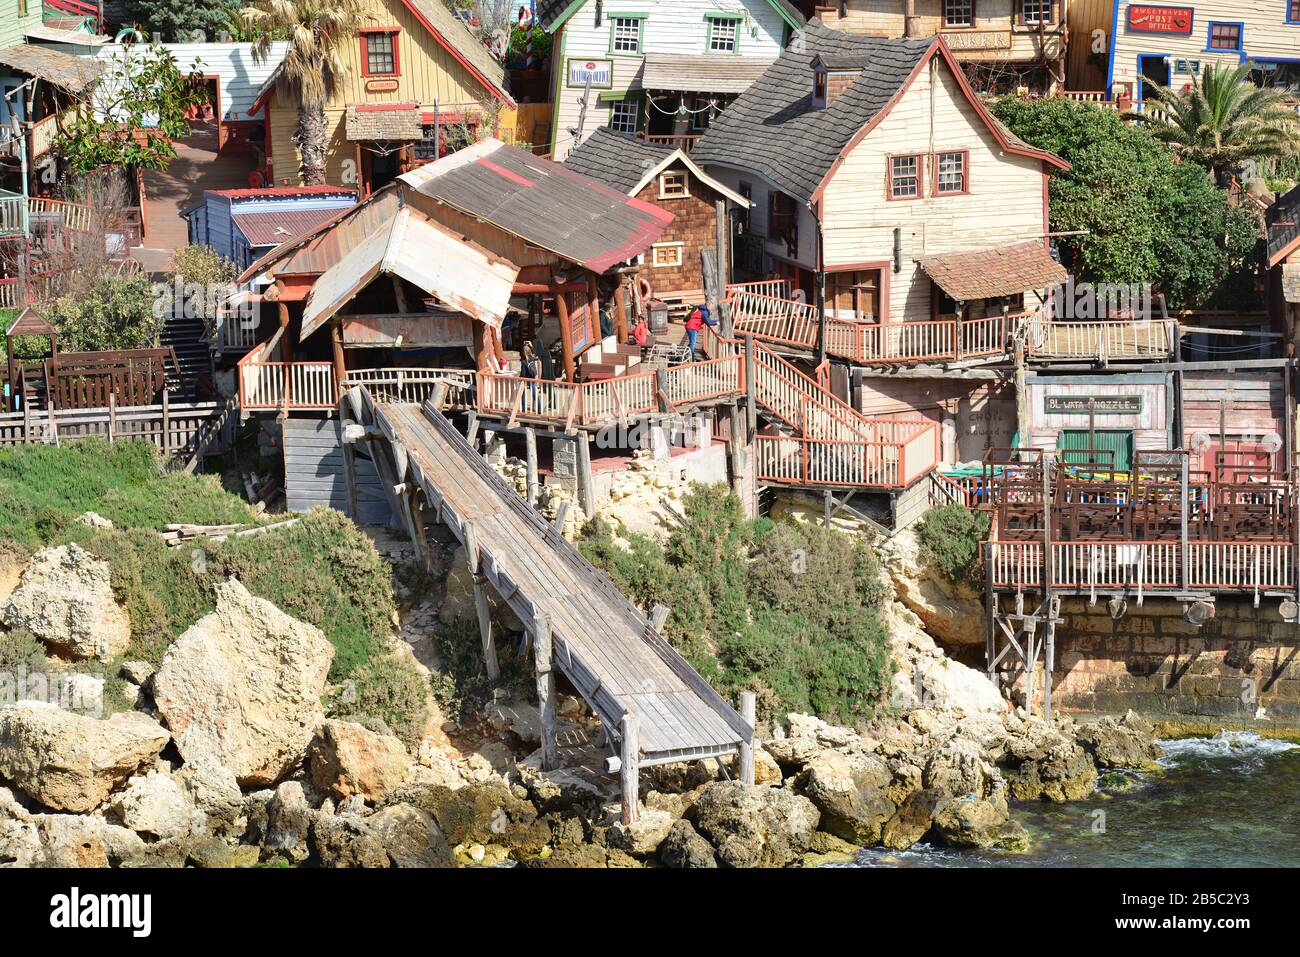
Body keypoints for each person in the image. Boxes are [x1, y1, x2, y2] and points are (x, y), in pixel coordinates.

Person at [520, 340, 540, 410]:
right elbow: (536, 354)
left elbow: (523, 373)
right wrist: (531, 346)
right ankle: (539, 408)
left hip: (526, 379)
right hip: (533, 377)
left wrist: (520, 377)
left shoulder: (524, 361)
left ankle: (523, 408)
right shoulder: (533, 358)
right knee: (535, 394)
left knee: (523, 394)